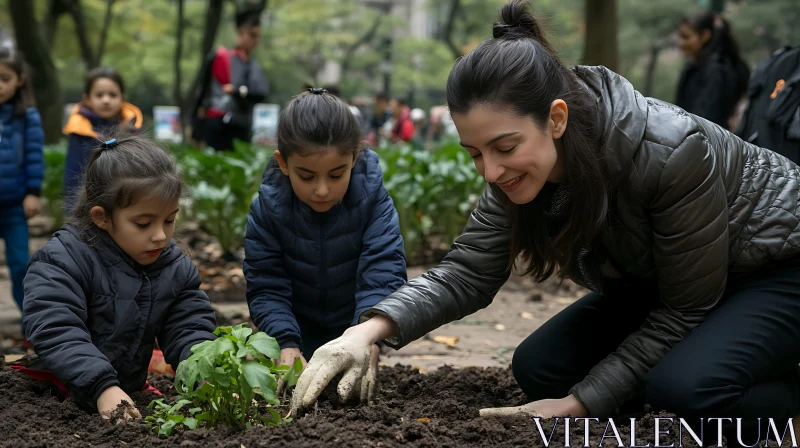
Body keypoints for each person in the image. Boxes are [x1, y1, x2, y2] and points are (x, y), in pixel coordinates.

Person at [291, 1, 800, 443]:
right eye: (475, 153)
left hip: (772, 269)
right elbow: (467, 271)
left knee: (686, 391)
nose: (491, 170)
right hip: (673, 286)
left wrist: (579, 408)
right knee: (542, 368)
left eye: (505, 147)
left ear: (556, 119)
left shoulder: (670, 152)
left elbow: (688, 310)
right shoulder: (519, 177)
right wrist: (365, 333)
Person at [18, 132, 217, 419]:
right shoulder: (63, 259)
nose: (160, 235)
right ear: (102, 217)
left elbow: (189, 328)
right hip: (58, 394)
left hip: (126, 392)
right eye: (143, 223)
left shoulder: (174, 267)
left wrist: (206, 376)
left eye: (170, 220)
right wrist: (102, 387)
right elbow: (56, 329)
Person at [244, 87, 407, 401]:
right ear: (283, 162)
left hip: (355, 330)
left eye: (336, 175)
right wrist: (285, 343)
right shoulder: (267, 208)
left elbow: (383, 272)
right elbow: (266, 284)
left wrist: (369, 337)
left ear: (354, 158)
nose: (321, 190)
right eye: (306, 176)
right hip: (293, 333)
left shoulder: (374, 201)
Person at [0, 49, 44, 326]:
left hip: (14, 206)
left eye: (4, 78)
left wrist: (33, 192)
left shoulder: (27, 116)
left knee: (20, 264)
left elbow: (33, 155)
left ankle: (32, 322)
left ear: (19, 80)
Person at [63, 67, 142, 212]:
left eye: (112, 95)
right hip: (88, 205)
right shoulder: (79, 129)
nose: (106, 100)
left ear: (122, 98)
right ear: (87, 99)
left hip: (127, 203)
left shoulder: (132, 127)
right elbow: (72, 173)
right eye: (99, 95)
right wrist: (71, 210)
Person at [198, 8, 269, 151]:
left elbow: (261, 92)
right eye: (252, 35)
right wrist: (197, 127)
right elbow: (204, 91)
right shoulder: (220, 57)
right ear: (240, 33)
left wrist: (237, 91)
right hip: (217, 123)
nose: (255, 41)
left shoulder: (254, 65)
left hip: (241, 125)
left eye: (257, 36)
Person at [675, 12, 750, 130]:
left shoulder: (717, 70)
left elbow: (706, 117)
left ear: (705, 35)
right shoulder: (694, 67)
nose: (681, 43)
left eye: (686, 37)